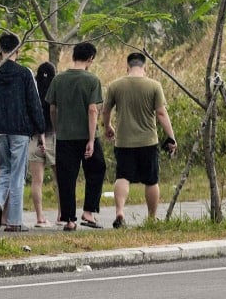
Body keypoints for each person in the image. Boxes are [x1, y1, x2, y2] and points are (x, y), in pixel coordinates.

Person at [0, 33, 45, 232]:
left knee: (4, 170)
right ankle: (15, 222)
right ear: (18, 50)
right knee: (17, 175)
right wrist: (40, 128)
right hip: (20, 130)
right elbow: (34, 103)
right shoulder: (25, 73)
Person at [102, 51, 177, 228]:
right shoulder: (154, 85)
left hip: (124, 141)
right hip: (148, 141)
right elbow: (161, 113)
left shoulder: (115, 85)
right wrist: (171, 136)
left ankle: (120, 211)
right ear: (145, 67)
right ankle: (151, 218)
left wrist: (108, 127)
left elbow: (105, 110)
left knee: (122, 177)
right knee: (151, 180)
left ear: (127, 66)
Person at [46, 43, 106, 231]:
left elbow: (52, 108)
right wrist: (90, 139)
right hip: (87, 135)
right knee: (97, 169)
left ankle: (69, 220)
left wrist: (57, 129)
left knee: (66, 178)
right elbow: (92, 110)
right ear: (90, 59)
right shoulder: (92, 80)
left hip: (64, 137)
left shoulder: (58, 79)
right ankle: (88, 211)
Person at [30, 61, 58, 227]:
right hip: (53, 137)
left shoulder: (32, 90)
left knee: (36, 181)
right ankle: (62, 215)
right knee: (59, 179)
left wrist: (39, 134)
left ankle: (40, 217)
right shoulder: (56, 90)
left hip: (34, 139)